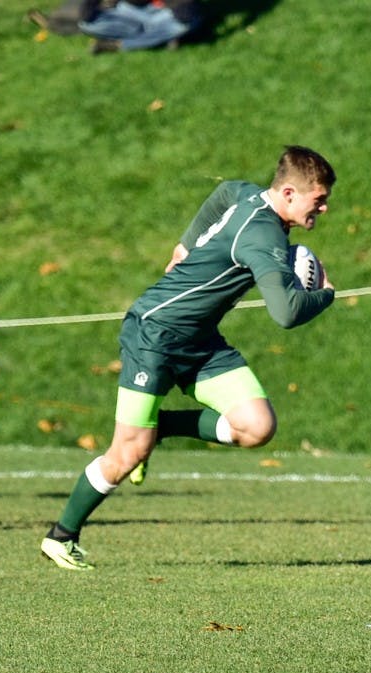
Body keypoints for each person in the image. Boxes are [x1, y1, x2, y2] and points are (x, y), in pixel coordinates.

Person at [40, 145, 337, 570]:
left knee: (257, 426)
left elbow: (224, 193)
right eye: (319, 199)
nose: (324, 208)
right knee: (126, 453)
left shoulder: (250, 196)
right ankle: (61, 535)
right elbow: (287, 313)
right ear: (289, 193)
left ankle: (159, 428)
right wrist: (324, 295)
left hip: (199, 339)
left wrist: (184, 245)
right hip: (153, 335)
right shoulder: (262, 236)